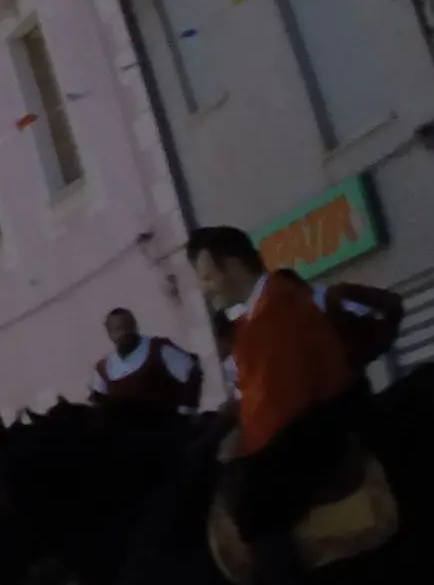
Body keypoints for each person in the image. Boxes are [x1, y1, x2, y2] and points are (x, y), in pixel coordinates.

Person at [189, 225, 359, 581]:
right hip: (299, 422)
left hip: (319, 422)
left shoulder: (277, 305)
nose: (204, 290)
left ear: (233, 266)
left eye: (207, 277)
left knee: (254, 507)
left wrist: (241, 452)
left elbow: (279, 404)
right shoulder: (254, 316)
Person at [92, 306, 204, 417]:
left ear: (135, 326)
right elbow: (100, 403)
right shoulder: (104, 369)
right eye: (118, 329)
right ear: (110, 334)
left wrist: (187, 411)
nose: (125, 332)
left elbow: (192, 373)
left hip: (166, 426)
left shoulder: (158, 349)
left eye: (128, 326)